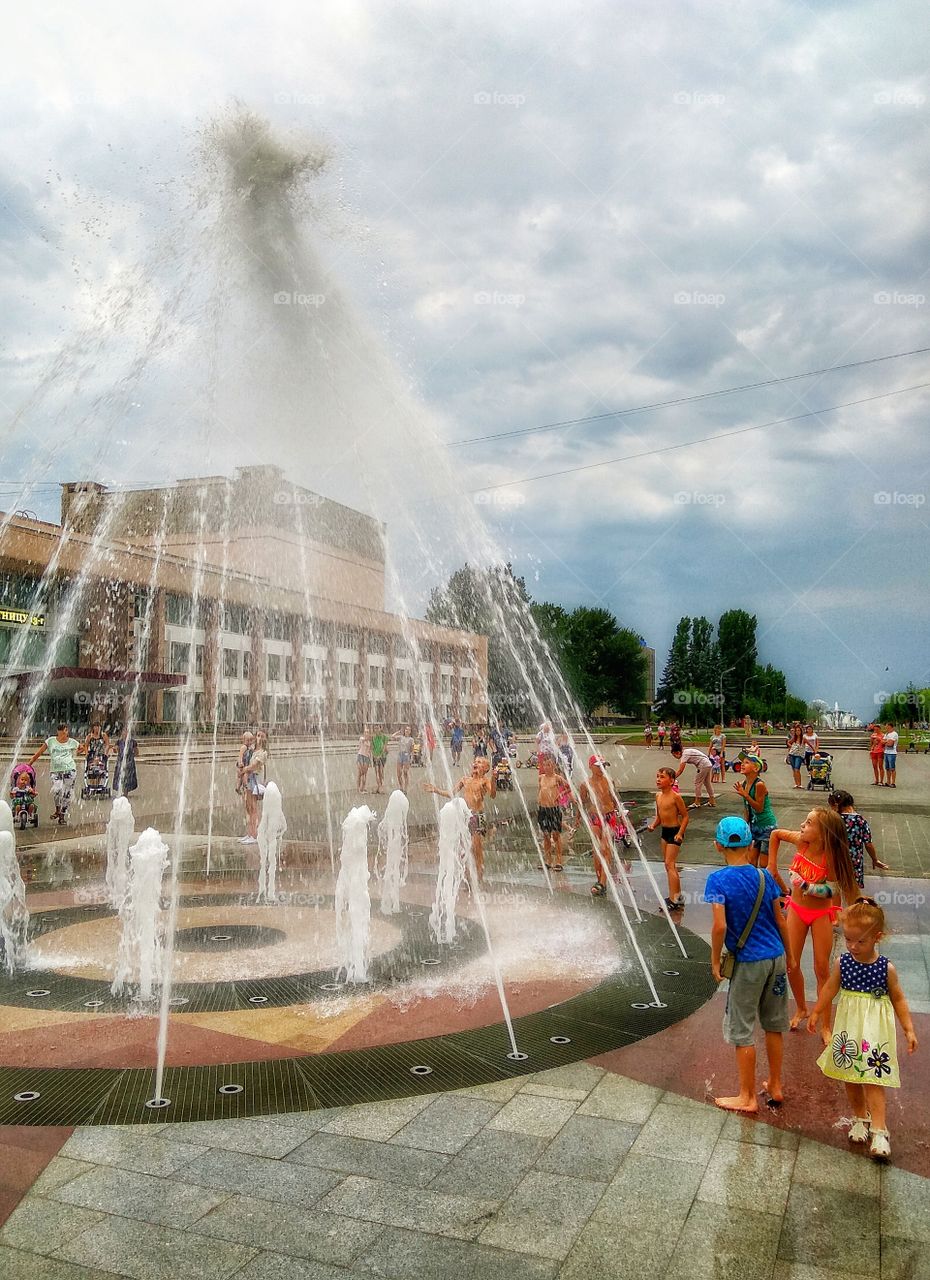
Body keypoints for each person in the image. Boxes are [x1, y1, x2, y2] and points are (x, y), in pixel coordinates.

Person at [807, 896, 918, 1161]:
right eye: (848, 940)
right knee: (850, 1076)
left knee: (873, 1078)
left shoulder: (885, 968)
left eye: (860, 941)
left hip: (875, 1033)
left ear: (877, 937)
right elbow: (830, 988)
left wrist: (908, 1029)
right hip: (849, 1031)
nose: (853, 946)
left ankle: (880, 1130)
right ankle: (860, 1117)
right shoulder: (842, 963)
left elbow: (899, 998)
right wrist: (817, 1011)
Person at [706, 815, 796, 1113]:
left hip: (747, 964)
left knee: (742, 1029)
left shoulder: (718, 880)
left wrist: (714, 960)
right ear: (749, 844)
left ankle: (746, 1096)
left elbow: (719, 926)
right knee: (774, 1025)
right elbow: (781, 919)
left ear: (718, 846)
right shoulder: (765, 876)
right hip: (776, 959)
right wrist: (791, 955)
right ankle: (776, 1084)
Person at [768, 809, 858, 1041]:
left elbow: (832, 890)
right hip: (797, 910)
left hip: (820, 915)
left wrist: (807, 887)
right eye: (805, 821)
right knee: (791, 963)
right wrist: (772, 867)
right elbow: (775, 834)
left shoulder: (832, 856)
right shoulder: (801, 842)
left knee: (821, 969)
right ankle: (801, 1008)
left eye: (808, 823)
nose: (802, 826)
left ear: (823, 833)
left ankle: (825, 1024)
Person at [424, 757, 496, 881]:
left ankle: (479, 878)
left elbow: (493, 795)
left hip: (478, 816)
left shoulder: (485, 781)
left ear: (485, 768)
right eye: (475, 761)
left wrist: (494, 779)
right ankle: (468, 877)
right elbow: (451, 793)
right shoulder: (465, 780)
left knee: (476, 848)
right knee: (465, 850)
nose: (475, 763)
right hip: (465, 816)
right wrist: (436, 790)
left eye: (479, 763)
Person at [577, 754, 631, 897]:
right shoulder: (585, 784)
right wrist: (577, 819)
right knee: (596, 850)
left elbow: (614, 800)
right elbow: (582, 802)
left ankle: (602, 882)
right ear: (590, 767)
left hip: (609, 816)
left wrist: (620, 816)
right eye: (598, 766)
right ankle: (599, 879)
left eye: (603, 766)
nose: (602, 768)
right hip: (595, 817)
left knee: (605, 848)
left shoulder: (609, 781)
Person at [646, 766, 690, 910]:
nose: (658, 779)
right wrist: (653, 825)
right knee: (669, 866)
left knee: (669, 864)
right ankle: (676, 895)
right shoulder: (658, 796)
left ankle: (674, 900)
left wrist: (680, 833)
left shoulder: (675, 797)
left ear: (672, 781)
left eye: (662, 777)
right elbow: (660, 816)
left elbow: (685, 817)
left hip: (675, 831)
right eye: (658, 776)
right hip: (664, 831)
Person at [828, 790, 889, 886]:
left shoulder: (833, 820)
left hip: (835, 858)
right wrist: (874, 859)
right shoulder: (861, 821)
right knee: (853, 889)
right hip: (854, 861)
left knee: (834, 887)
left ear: (836, 805)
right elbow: (868, 844)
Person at [28, 723, 85, 825]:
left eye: (66, 731)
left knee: (67, 793)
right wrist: (29, 764)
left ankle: (62, 816)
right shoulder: (51, 741)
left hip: (70, 770)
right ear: (58, 732)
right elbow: (39, 753)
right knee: (57, 789)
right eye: (62, 732)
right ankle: (57, 810)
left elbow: (82, 748)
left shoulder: (72, 742)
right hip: (55, 771)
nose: (64, 734)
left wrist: (76, 753)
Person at [733, 752, 777, 868]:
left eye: (746, 763)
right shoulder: (744, 784)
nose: (742, 764)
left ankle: (767, 885)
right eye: (742, 762)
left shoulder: (759, 785)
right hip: (754, 826)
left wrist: (745, 795)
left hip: (767, 827)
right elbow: (747, 807)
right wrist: (745, 825)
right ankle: (755, 885)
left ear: (756, 768)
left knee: (764, 865)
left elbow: (759, 808)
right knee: (751, 862)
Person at [536, 753, 564, 872]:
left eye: (549, 765)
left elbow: (568, 787)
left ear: (553, 766)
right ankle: (548, 860)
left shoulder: (557, 778)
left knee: (556, 835)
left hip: (554, 809)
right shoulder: (541, 778)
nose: (546, 767)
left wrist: (560, 795)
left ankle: (559, 861)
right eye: (545, 765)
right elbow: (540, 789)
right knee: (546, 835)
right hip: (543, 809)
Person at [241, 730, 268, 844]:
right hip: (249, 779)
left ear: (265, 739)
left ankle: (255, 835)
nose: (259, 738)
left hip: (255, 780)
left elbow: (254, 766)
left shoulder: (263, 753)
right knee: (248, 807)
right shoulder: (252, 750)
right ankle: (249, 833)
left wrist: (244, 770)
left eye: (262, 736)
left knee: (253, 808)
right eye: (258, 735)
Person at [671, 744, 716, 808]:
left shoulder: (684, 755)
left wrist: (672, 778)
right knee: (707, 783)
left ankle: (697, 802)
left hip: (703, 765)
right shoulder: (687, 751)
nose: (674, 757)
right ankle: (712, 801)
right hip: (707, 763)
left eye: (674, 755)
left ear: (678, 752)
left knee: (698, 783)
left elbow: (680, 770)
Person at [112, 731, 140, 796]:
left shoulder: (132, 742)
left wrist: (133, 755)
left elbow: (136, 752)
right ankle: (121, 791)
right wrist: (115, 749)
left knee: (127, 777)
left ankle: (125, 792)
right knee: (120, 776)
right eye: (124, 732)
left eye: (126, 732)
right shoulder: (119, 742)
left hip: (129, 762)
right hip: (120, 762)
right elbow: (115, 750)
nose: (125, 734)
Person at [396, 724, 415, 794]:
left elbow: (412, 750)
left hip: (406, 755)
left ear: (410, 732)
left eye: (409, 730)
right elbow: (392, 737)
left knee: (405, 772)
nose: (407, 731)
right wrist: (398, 732)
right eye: (406, 729)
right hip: (400, 754)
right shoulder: (401, 737)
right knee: (398, 773)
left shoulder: (411, 739)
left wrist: (411, 758)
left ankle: (405, 788)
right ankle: (401, 786)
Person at [786, 724, 805, 790]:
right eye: (796, 730)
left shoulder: (803, 739)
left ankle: (799, 784)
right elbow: (788, 742)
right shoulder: (794, 738)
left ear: (801, 731)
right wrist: (791, 747)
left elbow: (810, 744)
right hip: (792, 754)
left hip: (799, 756)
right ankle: (796, 783)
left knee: (797, 769)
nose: (797, 732)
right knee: (794, 769)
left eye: (799, 730)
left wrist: (814, 750)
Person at [371, 725, 388, 793]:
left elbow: (384, 747)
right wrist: (374, 755)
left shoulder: (384, 737)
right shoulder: (373, 737)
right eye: (375, 728)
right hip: (375, 756)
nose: (376, 730)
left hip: (382, 756)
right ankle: (379, 786)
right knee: (376, 772)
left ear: (380, 729)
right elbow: (372, 747)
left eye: (378, 728)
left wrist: (380, 755)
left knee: (381, 771)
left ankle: (381, 786)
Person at [882, 722, 899, 787]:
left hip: (892, 753)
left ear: (890, 726)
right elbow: (882, 741)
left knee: (892, 768)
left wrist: (886, 742)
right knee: (887, 768)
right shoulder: (886, 734)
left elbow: (890, 744)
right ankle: (888, 781)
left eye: (887, 726)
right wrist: (886, 741)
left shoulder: (894, 734)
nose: (886, 728)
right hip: (886, 752)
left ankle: (893, 782)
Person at [356, 727, 372, 793]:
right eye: (365, 732)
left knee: (365, 773)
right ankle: (358, 788)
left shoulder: (369, 742)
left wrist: (370, 760)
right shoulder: (362, 738)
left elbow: (369, 751)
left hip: (366, 757)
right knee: (360, 772)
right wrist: (368, 738)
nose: (366, 733)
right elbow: (363, 740)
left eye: (368, 732)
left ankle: (363, 787)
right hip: (361, 755)